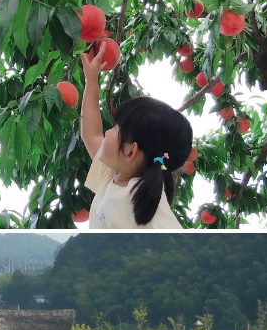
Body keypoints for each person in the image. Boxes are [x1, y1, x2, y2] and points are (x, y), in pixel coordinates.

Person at [80, 45, 193, 228]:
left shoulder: (145, 203)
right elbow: (91, 135)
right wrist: (91, 80)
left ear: (131, 151)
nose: (107, 132)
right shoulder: (111, 175)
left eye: (116, 128)